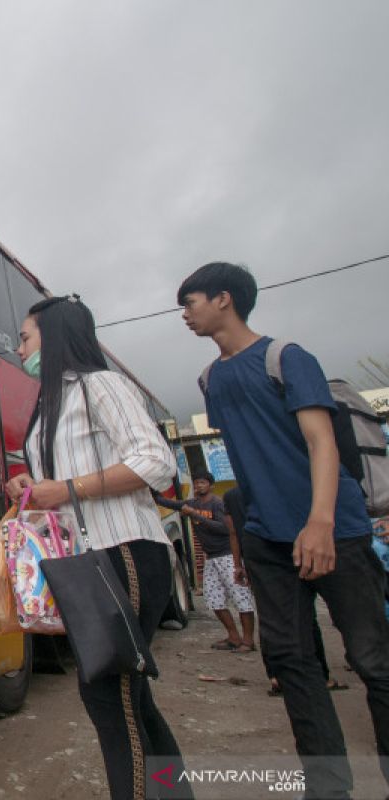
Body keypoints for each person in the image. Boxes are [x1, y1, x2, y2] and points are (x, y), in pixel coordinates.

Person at [178, 261, 389, 796]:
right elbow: (250, 455)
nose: (185, 314)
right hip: (267, 537)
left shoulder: (286, 357)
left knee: (371, 658)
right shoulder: (210, 379)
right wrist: (249, 540)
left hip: (333, 529)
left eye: (191, 302)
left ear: (224, 299)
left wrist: (319, 523)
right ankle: (328, 787)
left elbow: (321, 441)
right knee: (292, 663)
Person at [3, 294, 186, 800]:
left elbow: (155, 463)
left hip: (123, 550)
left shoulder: (98, 385)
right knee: (131, 697)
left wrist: (66, 488)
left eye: (25, 337)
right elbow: (56, 487)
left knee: (107, 694)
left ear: (54, 335)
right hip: (89, 561)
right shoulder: (46, 408)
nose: (18, 349)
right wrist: (28, 483)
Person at [224, 487, 346, 694]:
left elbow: (233, 533)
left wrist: (238, 565)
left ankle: (276, 677)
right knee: (306, 617)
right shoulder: (277, 487)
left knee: (270, 617)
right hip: (291, 553)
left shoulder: (231, 496)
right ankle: (320, 676)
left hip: (258, 559)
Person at [157, 472, 256, 651]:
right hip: (211, 558)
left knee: (242, 600)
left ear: (210, 485)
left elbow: (226, 529)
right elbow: (169, 503)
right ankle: (233, 636)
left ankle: (248, 641)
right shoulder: (192, 503)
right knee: (214, 600)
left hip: (227, 557)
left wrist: (196, 515)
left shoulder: (218, 504)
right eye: (196, 483)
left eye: (202, 483)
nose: (198, 486)